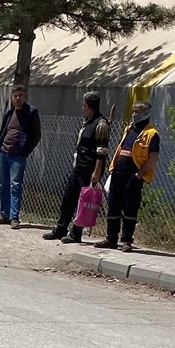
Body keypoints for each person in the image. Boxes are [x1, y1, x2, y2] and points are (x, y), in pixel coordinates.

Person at [44, 92, 111, 244]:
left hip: (88, 170)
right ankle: (60, 228)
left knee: (82, 203)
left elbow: (102, 151)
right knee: (68, 199)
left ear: (88, 106)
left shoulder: (101, 124)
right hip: (77, 168)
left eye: (83, 105)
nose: (82, 108)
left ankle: (76, 233)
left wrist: (97, 172)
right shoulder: (87, 122)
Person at [91, 101, 158, 252]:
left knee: (130, 208)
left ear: (146, 113)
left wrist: (139, 175)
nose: (134, 114)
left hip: (133, 176)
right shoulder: (130, 128)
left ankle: (127, 240)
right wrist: (113, 169)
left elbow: (153, 158)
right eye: (133, 111)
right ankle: (111, 239)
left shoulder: (151, 133)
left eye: (137, 111)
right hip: (118, 173)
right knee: (113, 207)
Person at [0, 85, 42, 229]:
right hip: (4, 153)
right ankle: (4, 214)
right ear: (12, 97)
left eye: (20, 95)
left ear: (25, 97)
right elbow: (3, 131)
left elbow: (36, 135)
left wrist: (25, 151)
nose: (17, 98)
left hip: (18, 155)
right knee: (3, 184)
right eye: (15, 96)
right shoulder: (10, 113)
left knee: (16, 186)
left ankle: (15, 217)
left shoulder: (31, 112)